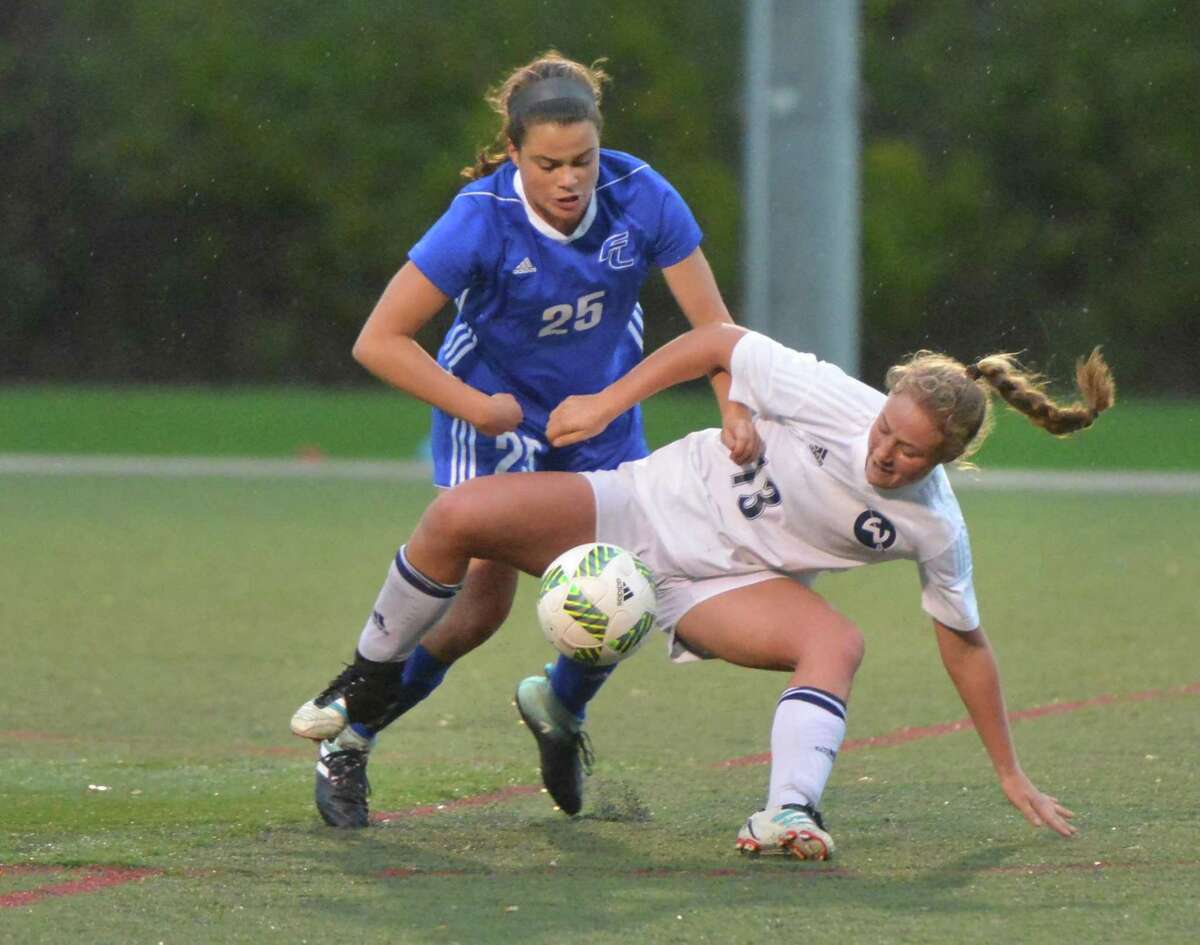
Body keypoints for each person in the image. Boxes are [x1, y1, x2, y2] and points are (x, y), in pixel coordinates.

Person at [293, 321, 1114, 857]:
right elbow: (719, 340)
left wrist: (1009, 769)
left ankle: (789, 811)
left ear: (944, 461)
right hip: (641, 503)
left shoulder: (934, 524)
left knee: (838, 641)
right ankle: (364, 694)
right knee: (455, 517)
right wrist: (608, 403)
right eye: (885, 430)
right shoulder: (835, 400)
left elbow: (964, 641)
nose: (885, 453)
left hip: (727, 583)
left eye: (910, 452)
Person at [288, 51, 758, 828]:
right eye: (548, 163)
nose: (570, 179)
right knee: (477, 612)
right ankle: (351, 739)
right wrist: (477, 406)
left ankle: (559, 705)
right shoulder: (480, 217)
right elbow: (380, 340)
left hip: (600, 414)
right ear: (514, 154)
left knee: (628, 586)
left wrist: (733, 407)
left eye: (583, 159)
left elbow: (716, 328)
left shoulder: (641, 196)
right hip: (495, 416)